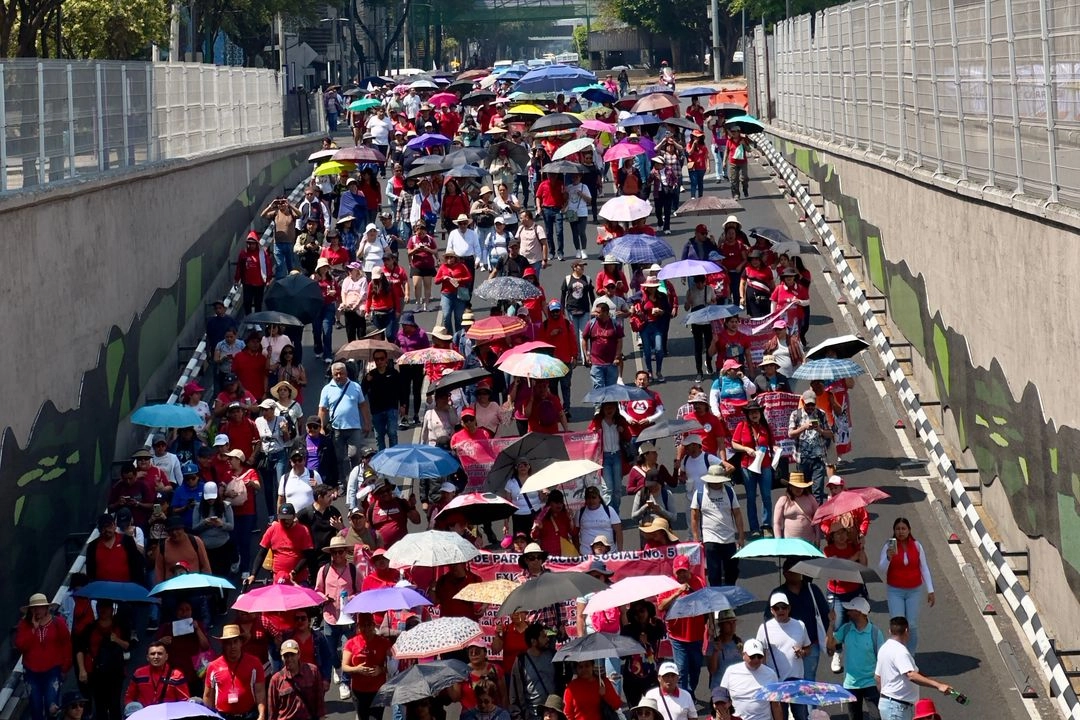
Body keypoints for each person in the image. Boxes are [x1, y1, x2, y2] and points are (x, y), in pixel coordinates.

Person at [875, 617, 953, 720]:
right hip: (897, 707)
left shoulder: (884, 648)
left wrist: (885, 697)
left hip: (890, 704)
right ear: (907, 630)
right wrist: (939, 685)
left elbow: (877, 677)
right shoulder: (900, 651)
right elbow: (911, 675)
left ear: (890, 631)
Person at [880, 518, 935, 655]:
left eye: (903, 528)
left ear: (909, 530)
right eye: (898, 529)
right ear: (894, 531)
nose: (901, 532)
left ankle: (910, 655)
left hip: (913, 591)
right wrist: (888, 558)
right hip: (895, 591)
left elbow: (924, 568)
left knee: (912, 624)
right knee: (898, 625)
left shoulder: (917, 546)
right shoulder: (889, 546)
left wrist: (930, 590)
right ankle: (898, 654)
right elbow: (881, 568)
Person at [824, 597, 884, 720]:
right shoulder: (846, 629)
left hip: (871, 683)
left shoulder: (875, 633)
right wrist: (831, 624)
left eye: (851, 610)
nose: (848, 612)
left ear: (859, 612)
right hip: (851, 684)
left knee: (877, 717)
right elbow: (830, 645)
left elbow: (883, 659)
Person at [15, 593, 72, 720]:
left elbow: (67, 645)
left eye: (40, 607)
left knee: (52, 705)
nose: (37, 610)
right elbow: (21, 646)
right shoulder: (24, 624)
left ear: (46, 608)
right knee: (35, 706)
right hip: (31, 672)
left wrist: (65, 668)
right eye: (34, 608)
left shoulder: (58, 623)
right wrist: (33, 629)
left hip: (53, 670)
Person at [755, 592, 811, 720]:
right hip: (776, 683)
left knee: (801, 716)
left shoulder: (800, 625)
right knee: (780, 717)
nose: (780, 610)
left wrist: (802, 652)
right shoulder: (764, 628)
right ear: (771, 610)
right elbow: (760, 654)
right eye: (776, 608)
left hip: (797, 681)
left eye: (783, 607)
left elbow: (808, 648)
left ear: (789, 608)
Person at [657, 555, 707, 696]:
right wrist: (677, 592)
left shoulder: (699, 582)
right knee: (681, 670)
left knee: (695, 669)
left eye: (683, 571)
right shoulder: (668, 585)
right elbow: (661, 606)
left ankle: (690, 693)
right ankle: (683, 698)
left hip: (696, 635)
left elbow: (707, 604)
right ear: (674, 571)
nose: (681, 575)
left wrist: (710, 626)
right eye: (678, 572)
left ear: (689, 569)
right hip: (677, 636)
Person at [319, 362, 373, 488]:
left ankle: (356, 481)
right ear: (332, 374)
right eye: (336, 374)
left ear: (346, 373)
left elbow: (363, 405)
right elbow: (322, 410)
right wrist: (321, 427)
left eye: (341, 373)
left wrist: (367, 423)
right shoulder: (327, 389)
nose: (339, 376)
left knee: (354, 455)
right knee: (339, 458)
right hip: (336, 429)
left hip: (354, 427)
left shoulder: (355, 386)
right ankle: (343, 483)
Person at [690, 465, 745, 587]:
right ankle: (716, 597)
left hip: (729, 538)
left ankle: (730, 594)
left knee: (732, 572)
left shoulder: (729, 492)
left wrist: (741, 536)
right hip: (710, 539)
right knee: (714, 574)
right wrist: (696, 537)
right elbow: (694, 516)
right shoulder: (699, 493)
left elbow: (737, 514)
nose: (716, 484)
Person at [76, 601, 130, 720]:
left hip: (116, 671)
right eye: (100, 607)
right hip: (96, 672)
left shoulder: (120, 626)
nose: (103, 610)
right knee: (100, 704)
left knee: (115, 704)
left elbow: (128, 645)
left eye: (106, 607)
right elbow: (80, 649)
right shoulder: (90, 628)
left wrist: (117, 640)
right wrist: (82, 670)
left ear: (112, 609)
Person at [730, 400, 776, 538]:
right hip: (747, 466)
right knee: (751, 497)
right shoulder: (741, 426)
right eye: (751, 413)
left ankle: (766, 525)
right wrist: (746, 449)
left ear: (760, 413)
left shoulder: (765, 427)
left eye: (756, 412)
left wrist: (776, 450)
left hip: (765, 465)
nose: (754, 415)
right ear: (747, 414)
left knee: (766, 496)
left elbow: (772, 444)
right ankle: (754, 527)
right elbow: (734, 444)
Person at [204, 625, 267, 720]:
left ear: (241, 642)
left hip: (248, 716)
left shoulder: (255, 663)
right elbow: (208, 696)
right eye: (228, 643)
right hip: (222, 717)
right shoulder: (213, 667)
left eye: (235, 641)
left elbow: (260, 692)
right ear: (224, 645)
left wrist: (261, 714)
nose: (232, 646)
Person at [715, 639, 782, 720]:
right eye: (752, 656)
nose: (756, 659)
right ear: (743, 655)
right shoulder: (731, 671)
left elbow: (776, 705)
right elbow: (722, 696)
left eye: (759, 656)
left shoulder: (770, 674)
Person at [248, 504, 313, 585]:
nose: (285, 521)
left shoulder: (303, 530)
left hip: (298, 579)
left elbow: (307, 556)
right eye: (283, 518)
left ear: (294, 516)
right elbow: (261, 554)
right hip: (279, 579)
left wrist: (295, 571)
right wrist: (253, 575)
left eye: (288, 518)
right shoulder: (272, 530)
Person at [789, 390, 834, 503]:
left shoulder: (821, 414)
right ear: (803, 402)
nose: (810, 407)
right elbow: (790, 434)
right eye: (808, 405)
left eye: (812, 405)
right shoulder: (796, 414)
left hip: (818, 458)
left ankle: (817, 513)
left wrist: (820, 430)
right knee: (804, 490)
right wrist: (804, 427)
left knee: (817, 491)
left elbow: (830, 434)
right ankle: (807, 512)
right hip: (802, 459)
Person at [508, 624, 558, 720]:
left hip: (552, 715)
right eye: (543, 637)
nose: (547, 639)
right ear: (533, 641)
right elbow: (515, 694)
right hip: (531, 716)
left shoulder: (553, 656)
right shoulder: (521, 661)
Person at [267, 639, 324, 720]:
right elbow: (272, 710)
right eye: (286, 656)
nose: (289, 659)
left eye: (292, 655)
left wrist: (321, 717)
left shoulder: (313, 671)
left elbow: (320, 701)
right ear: (282, 657)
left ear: (299, 654)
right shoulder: (276, 680)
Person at [587, 402, 631, 507]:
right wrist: (594, 431)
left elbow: (629, 437)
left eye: (612, 408)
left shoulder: (620, 420)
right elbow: (588, 435)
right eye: (607, 408)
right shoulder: (598, 420)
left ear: (616, 409)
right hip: (604, 458)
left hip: (617, 457)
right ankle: (609, 514)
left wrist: (623, 431)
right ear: (603, 409)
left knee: (617, 489)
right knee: (608, 489)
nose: (609, 411)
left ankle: (615, 514)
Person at [124, 642, 190, 706]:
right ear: (147, 657)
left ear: (166, 657)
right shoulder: (139, 674)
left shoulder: (177, 675)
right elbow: (129, 697)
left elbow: (184, 701)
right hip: (145, 712)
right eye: (152, 654)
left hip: (169, 713)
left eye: (160, 653)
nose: (156, 657)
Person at [362, 348, 402, 450]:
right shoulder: (370, 375)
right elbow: (362, 392)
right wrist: (367, 381)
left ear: (386, 359)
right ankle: (382, 456)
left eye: (381, 359)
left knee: (392, 433)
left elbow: (401, 390)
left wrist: (403, 405)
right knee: (379, 436)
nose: (379, 361)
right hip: (376, 410)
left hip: (391, 408)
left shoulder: (393, 373)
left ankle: (394, 454)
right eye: (377, 359)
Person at [772, 473, 819, 544]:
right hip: (790, 543)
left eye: (800, 486)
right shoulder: (783, 500)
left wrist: (817, 538)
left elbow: (817, 519)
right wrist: (778, 540)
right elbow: (777, 523)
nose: (798, 489)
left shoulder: (810, 498)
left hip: (809, 542)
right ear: (790, 487)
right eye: (795, 486)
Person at [234, 232, 273, 314]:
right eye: (249, 243)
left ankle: (257, 319)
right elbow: (239, 267)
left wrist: (268, 279)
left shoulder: (263, 253)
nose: (251, 245)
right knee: (247, 302)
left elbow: (268, 266)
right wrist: (236, 279)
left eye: (253, 244)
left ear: (256, 244)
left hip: (259, 283)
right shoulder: (243, 254)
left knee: (258, 303)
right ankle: (248, 318)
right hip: (247, 283)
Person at [726, 125, 751, 200]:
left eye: (734, 131)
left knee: (744, 178)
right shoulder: (729, 141)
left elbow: (749, 150)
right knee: (734, 179)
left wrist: (744, 144)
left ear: (738, 132)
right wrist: (724, 161)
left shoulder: (743, 139)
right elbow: (726, 151)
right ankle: (736, 194)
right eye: (732, 131)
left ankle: (745, 188)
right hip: (733, 162)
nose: (733, 133)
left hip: (742, 162)